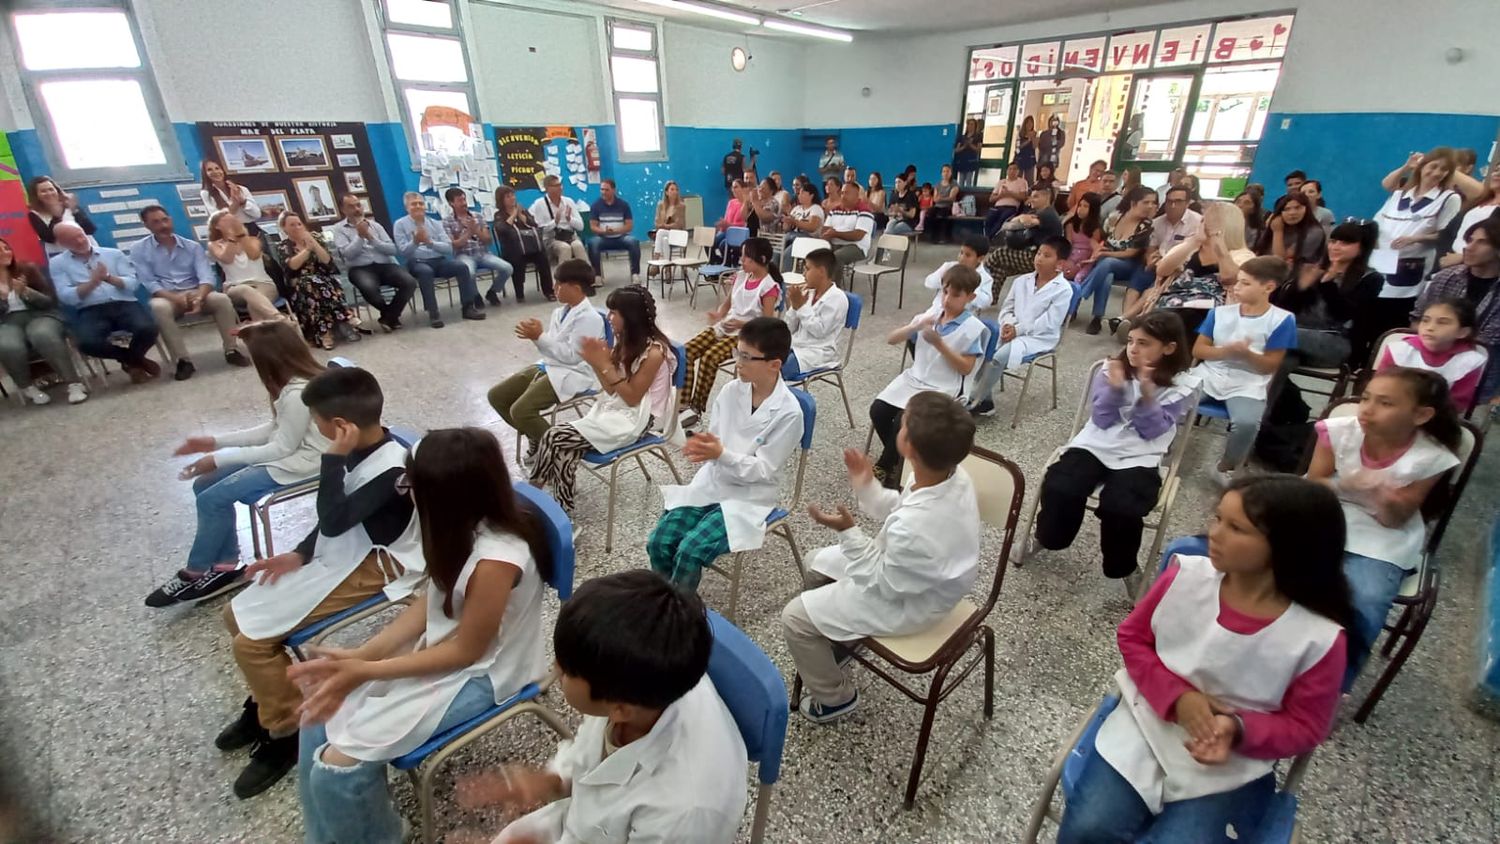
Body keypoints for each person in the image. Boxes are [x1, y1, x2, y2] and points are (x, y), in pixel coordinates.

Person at [1055, 475, 1354, 844]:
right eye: (1217, 519)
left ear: (1287, 547)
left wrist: (1238, 729)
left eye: (1235, 528)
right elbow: (1133, 638)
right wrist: (1178, 697)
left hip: (1231, 764)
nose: (1214, 533)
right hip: (1146, 725)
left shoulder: (1318, 638)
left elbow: (1306, 726)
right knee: (1090, 829)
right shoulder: (1185, 575)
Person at [291, 427, 552, 844]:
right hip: (448, 655)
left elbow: (467, 652)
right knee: (318, 711)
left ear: (444, 495)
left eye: (411, 484)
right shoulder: (460, 527)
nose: (406, 491)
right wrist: (365, 654)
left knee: (339, 766)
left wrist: (369, 669)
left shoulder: (498, 558)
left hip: (487, 674)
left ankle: (383, 835)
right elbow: (431, 601)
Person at [218, 367, 422, 799]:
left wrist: (330, 459)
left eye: (318, 424)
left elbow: (334, 519)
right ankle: (264, 704)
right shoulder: (359, 447)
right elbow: (335, 521)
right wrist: (299, 553)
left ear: (341, 427)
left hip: (380, 563)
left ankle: (285, 732)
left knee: (251, 644)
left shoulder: (390, 468)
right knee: (233, 612)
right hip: (344, 550)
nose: (317, 431)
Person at [469, 570, 748, 843]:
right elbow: (587, 754)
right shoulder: (638, 679)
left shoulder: (683, 812)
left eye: (566, 671)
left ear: (620, 710)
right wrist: (551, 781)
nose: (555, 670)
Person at [783, 393, 980, 722]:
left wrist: (848, 531)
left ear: (908, 447)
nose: (897, 422)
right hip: (911, 574)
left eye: (902, 424)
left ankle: (835, 698)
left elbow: (881, 582)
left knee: (793, 619)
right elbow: (903, 508)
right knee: (814, 559)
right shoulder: (951, 475)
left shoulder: (916, 526)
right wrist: (867, 485)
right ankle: (835, 638)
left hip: (910, 601)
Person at [146, 320, 330, 608]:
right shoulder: (292, 385)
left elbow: (281, 447)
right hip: (293, 454)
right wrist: (215, 443)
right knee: (204, 484)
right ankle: (226, 565)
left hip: (306, 463)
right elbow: (274, 430)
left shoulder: (297, 392)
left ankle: (194, 571)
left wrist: (217, 458)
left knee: (212, 499)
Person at [1306, 367, 1460, 682]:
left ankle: (1336, 682)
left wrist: (1384, 495)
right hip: (1325, 513)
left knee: (1365, 599)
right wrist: (1343, 485)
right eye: (1366, 398)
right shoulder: (1338, 431)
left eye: (1385, 403)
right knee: (1271, 567)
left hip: (1383, 533)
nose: (1368, 409)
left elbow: (1395, 519)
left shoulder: (1430, 456)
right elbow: (1312, 484)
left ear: (1420, 415)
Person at [1031, 311, 1194, 596]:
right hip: (1096, 443)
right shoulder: (1112, 369)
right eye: (1131, 341)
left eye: (1144, 343)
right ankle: (1049, 538)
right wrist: (1118, 389)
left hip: (1140, 453)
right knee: (1061, 485)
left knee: (1123, 505)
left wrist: (1145, 394)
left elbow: (1151, 431)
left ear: (1168, 348)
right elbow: (1103, 419)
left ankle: (1124, 567)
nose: (1133, 349)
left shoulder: (1182, 385)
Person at [650, 317, 803, 589]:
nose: (737, 362)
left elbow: (763, 470)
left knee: (689, 551)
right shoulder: (732, 391)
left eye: (746, 357)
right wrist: (706, 447)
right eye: (737, 352)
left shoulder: (789, 413)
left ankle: (681, 615)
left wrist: (720, 454)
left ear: (774, 364)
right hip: (713, 481)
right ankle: (663, 602)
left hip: (749, 496)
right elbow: (718, 439)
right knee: (659, 542)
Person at [528, 285, 673, 514]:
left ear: (631, 317)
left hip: (641, 419)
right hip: (617, 409)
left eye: (614, 312)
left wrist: (605, 365)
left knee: (554, 435)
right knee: (565, 449)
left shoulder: (654, 352)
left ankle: (531, 500)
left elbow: (633, 397)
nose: (609, 317)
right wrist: (597, 363)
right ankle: (561, 513)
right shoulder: (625, 342)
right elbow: (612, 390)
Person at [871, 265, 984, 485]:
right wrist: (915, 327)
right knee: (878, 410)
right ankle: (902, 460)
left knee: (903, 421)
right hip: (916, 378)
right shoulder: (930, 316)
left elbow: (966, 368)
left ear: (970, 297)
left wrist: (940, 345)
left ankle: (886, 464)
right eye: (945, 291)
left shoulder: (973, 328)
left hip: (944, 387)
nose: (947, 299)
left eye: (956, 295)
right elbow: (891, 339)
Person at [1188, 256, 1298, 479]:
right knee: (1171, 400)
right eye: (1237, 281)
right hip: (1210, 373)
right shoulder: (1219, 313)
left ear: (1268, 287)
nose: (1237, 287)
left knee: (1247, 424)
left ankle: (1226, 467)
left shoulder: (1282, 320)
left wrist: (1246, 354)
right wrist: (1226, 351)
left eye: (1245, 283)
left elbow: (1270, 366)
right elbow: (1198, 351)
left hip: (1248, 382)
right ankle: (1160, 449)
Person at [487, 259, 606, 463]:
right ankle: (535, 436)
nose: (554, 288)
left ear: (575, 288)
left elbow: (571, 357)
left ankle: (562, 455)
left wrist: (539, 337)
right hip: (550, 365)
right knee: (497, 396)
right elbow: (552, 349)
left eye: (558, 284)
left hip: (574, 373)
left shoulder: (590, 319)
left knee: (521, 410)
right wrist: (538, 337)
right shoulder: (559, 312)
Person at [133, 204, 247, 380]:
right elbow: (149, 283)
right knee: (158, 307)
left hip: (195, 292)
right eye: (156, 222)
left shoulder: (191, 246)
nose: (163, 225)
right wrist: (175, 298)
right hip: (167, 296)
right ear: (146, 225)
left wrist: (200, 297)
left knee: (221, 299)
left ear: (170, 219)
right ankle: (183, 361)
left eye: (165, 220)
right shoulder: (139, 249)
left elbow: (206, 277)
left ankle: (232, 349)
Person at [966, 236, 1073, 417]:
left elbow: (1050, 322)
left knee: (999, 356)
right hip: (1011, 329)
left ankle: (975, 399)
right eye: (1038, 253)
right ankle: (985, 401)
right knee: (982, 344)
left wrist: (1019, 330)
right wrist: (1007, 324)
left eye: (1046, 256)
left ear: (1060, 263)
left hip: (1039, 338)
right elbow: (1007, 307)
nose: (1039, 258)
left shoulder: (1063, 289)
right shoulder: (1021, 281)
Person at [679, 237, 782, 417]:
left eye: (746, 257)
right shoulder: (741, 276)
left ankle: (696, 408)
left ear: (762, 260)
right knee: (686, 351)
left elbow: (767, 324)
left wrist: (742, 323)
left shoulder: (769, 287)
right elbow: (727, 304)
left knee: (710, 357)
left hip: (747, 336)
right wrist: (719, 314)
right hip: (728, 327)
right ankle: (683, 404)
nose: (741, 260)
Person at [1123, 201, 1255, 337]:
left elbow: (1230, 278)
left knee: (1180, 319)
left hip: (1209, 309)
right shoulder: (1191, 247)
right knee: (1163, 318)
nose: (1203, 224)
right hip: (1173, 301)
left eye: (1209, 222)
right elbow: (1162, 270)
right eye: (1203, 220)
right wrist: (1194, 242)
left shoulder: (1243, 256)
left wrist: (1218, 243)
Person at [50, 222, 160, 383]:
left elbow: (133, 284)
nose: (80, 241)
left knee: (148, 329)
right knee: (86, 343)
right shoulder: (58, 263)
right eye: (73, 240)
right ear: (62, 243)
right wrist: (92, 283)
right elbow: (66, 296)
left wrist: (108, 278)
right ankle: (135, 360)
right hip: (90, 309)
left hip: (124, 303)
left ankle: (131, 362)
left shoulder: (113, 254)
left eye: (80, 235)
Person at [1411, 215, 1500, 404]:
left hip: (1480, 372)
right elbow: (1418, 318)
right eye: (1469, 240)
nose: (1469, 247)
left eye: (1482, 242)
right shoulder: (1445, 277)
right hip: (1424, 362)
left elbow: (1488, 342)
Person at [1269, 218, 1379, 369]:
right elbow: (1286, 310)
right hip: (1297, 336)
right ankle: (1283, 392)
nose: (1336, 247)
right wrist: (1300, 287)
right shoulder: (1315, 270)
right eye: (1333, 241)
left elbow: (1344, 316)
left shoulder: (1371, 278)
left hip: (1336, 341)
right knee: (1283, 359)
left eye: (1345, 243)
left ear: (1362, 248)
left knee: (1270, 332)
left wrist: (1328, 283)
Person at [0, 236, 86, 405]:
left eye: (6, 248)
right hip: (8, 321)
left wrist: (26, 292)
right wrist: (3, 300)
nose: (5, 253)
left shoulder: (27, 269)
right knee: (6, 345)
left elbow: (50, 301)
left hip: (41, 315)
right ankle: (27, 387)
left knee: (42, 335)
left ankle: (74, 383)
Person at [1373, 149, 1462, 309]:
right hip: (1383, 257)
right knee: (1374, 298)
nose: (1436, 173)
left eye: (1443, 169)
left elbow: (1446, 234)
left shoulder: (1448, 198)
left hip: (1410, 264)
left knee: (1396, 308)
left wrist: (1415, 238)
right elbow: (1386, 184)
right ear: (1422, 166)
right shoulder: (1403, 192)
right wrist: (1407, 166)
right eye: (1433, 166)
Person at [1378, 298, 1487, 412]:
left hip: (1439, 417)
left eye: (1442, 322)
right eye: (1425, 320)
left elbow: (1458, 404)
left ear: (1462, 332)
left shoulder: (1471, 361)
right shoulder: (1399, 350)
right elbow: (1380, 388)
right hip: (1391, 411)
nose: (1430, 328)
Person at [394, 191, 483, 327]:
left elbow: (448, 248)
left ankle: (468, 308)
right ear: (407, 208)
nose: (418, 206)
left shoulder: (435, 223)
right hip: (416, 262)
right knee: (425, 272)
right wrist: (415, 242)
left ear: (425, 206)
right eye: (414, 204)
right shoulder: (400, 224)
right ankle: (433, 313)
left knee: (462, 267)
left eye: (420, 203)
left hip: (438, 260)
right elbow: (402, 252)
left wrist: (430, 243)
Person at [1077, 186, 1159, 334]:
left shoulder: (1145, 226)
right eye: (1146, 202)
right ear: (1134, 203)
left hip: (1129, 265)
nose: (1150, 206)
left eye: (1153, 203)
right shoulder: (1115, 217)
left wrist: (1105, 254)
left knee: (1107, 263)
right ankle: (1097, 318)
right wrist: (1098, 249)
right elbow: (1096, 238)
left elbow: (1130, 253)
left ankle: (1081, 293)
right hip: (1106, 263)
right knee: (1106, 275)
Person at [277, 210, 361, 350]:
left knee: (318, 285)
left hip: (323, 281)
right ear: (284, 228)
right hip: (299, 285)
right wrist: (307, 250)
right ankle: (344, 317)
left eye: (299, 224)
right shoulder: (283, 246)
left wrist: (314, 244)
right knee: (309, 283)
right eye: (292, 225)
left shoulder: (316, 237)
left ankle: (324, 334)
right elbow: (292, 266)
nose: (297, 227)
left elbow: (327, 261)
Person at [206, 210, 284, 323]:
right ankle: (279, 319)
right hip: (235, 287)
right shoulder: (214, 245)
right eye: (225, 220)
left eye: (232, 219)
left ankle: (263, 337)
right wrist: (231, 237)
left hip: (263, 284)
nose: (230, 221)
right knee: (245, 289)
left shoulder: (253, 240)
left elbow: (254, 255)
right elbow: (227, 258)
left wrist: (241, 234)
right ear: (217, 226)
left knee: (254, 305)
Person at [783, 248, 850, 379]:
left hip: (820, 352)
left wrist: (801, 307)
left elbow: (819, 331)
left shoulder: (837, 298)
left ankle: (785, 397)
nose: (803, 274)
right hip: (797, 345)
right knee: (764, 360)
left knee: (781, 369)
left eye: (807, 269)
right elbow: (789, 328)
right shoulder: (808, 293)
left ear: (821, 271)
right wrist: (794, 306)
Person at [444, 187, 513, 308]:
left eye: (464, 199)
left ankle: (492, 292)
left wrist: (476, 230)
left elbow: (488, 241)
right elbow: (454, 245)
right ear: (451, 203)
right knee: (468, 272)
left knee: (507, 268)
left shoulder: (478, 216)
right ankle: (475, 296)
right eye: (460, 200)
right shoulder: (447, 222)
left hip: (483, 254)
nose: (464, 203)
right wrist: (469, 233)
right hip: (463, 256)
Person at [987, 184, 1065, 279]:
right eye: (1031, 196)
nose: (1031, 199)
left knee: (1000, 254)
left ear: (1047, 198)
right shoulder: (1036, 213)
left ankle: (979, 277)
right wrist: (1021, 217)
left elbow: (1015, 225)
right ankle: (990, 291)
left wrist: (1022, 218)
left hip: (1039, 257)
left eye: (1036, 197)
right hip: (1032, 253)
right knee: (999, 270)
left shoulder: (1047, 214)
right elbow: (1006, 225)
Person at [493, 185, 555, 302]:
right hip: (513, 250)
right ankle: (519, 293)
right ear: (501, 200)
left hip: (530, 246)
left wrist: (521, 215)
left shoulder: (523, 210)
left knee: (543, 258)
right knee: (516, 260)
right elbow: (503, 229)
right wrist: (513, 215)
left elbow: (534, 224)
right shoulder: (499, 215)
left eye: (512, 195)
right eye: (508, 196)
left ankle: (549, 291)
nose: (512, 198)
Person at [1255, 192, 1326, 286]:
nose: (1292, 213)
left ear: (1306, 209)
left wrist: (1277, 231)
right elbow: (1259, 253)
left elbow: (1279, 260)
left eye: (1298, 207)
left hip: (1294, 283)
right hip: (1267, 278)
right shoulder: (1275, 227)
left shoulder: (1315, 232)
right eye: (1286, 209)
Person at [1441, 167, 1499, 269]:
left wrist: (1462, 257)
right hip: (1447, 262)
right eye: (1496, 170)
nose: (1497, 174)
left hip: (1474, 267)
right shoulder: (1480, 200)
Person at [587, 179, 642, 284]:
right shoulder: (595, 206)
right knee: (592, 243)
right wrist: (603, 231)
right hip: (603, 238)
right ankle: (597, 276)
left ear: (613, 190)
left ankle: (635, 274)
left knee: (634, 241)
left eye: (606, 190)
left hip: (621, 238)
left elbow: (629, 226)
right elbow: (593, 226)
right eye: (602, 189)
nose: (603, 192)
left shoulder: (624, 205)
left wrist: (616, 231)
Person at [27, 175, 96, 258]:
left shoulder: (70, 206)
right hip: (61, 256)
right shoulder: (34, 214)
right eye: (43, 191)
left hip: (88, 251)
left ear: (57, 190)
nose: (49, 193)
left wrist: (75, 211)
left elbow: (90, 229)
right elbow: (49, 238)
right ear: (36, 195)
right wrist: (56, 215)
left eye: (51, 189)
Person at [922, 236, 995, 312]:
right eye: (961, 253)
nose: (962, 258)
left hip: (962, 317)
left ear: (980, 258)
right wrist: (943, 278)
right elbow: (928, 282)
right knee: (917, 321)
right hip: (937, 311)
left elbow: (986, 302)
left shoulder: (985, 278)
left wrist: (968, 288)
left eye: (968, 255)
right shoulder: (949, 267)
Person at [528, 175, 589, 266]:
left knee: (578, 246)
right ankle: (562, 279)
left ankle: (586, 277)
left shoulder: (568, 201)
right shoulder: (539, 204)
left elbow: (581, 227)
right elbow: (540, 230)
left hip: (570, 236)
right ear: (547, 188)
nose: (560, 188)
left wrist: (569, 219)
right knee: (565, 248)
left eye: (560, 185)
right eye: (556, 186)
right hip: (551, 239)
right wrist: (555, 222)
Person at [819, 182, 875, 276]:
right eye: (842, 193)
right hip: (834, 244)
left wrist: (835, 234)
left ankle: (833, 288)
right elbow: (825, 230)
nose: (843, 196)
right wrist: (826, 235)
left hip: (856, 247)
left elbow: (858, 235)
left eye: (847, 193)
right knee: (815, 255)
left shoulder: (865, 211)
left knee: (836, 257)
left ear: (857, 195)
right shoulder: (835, 210)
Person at [199, 160, 262, 231]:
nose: (215, 172)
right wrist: (235, 203)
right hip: (231, 232)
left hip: (252, 230)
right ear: (205, 174)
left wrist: (243, 201)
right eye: (209, 170)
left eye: (217, 168)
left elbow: (257, 214)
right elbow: (220, 221)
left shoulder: (241, 189)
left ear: (223, 170)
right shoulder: (206, 193)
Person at [781, 181, 826, 269]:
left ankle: (786, 276)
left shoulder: (816, 208)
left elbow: (812, 227)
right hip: (792, 238)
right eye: (799, 193)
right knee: (777, 252)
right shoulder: (796, 209)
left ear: (811, 195)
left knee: (787, 253)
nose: (799, 195)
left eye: (802, 192)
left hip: (809, 240)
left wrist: (794, 222)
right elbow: (786, 229)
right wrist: (787, 221)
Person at [1061, 191, 1103, 282]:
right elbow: (1068, 244)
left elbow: (1094, 249)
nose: (1081, 209)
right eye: (1080, 205)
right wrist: (1068, 260)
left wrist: (1084, 262)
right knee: (1062, 273)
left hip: (1086, 260)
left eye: (1086, 206)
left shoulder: (1095, 228)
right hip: (1071, 256)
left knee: (1079, 278)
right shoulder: (1071, 224)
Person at [985, 163, 1031, 240]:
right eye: (1010, 169)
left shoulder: (1022, 182)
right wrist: (1001, 196)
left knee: (1002, 219)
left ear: (1018, 171)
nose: (1012, 171)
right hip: (997, 206)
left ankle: (988, 238)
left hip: (1011, 207)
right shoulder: (1001, 182)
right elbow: (991, 199)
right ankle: (987, 238)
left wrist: (1010, 193)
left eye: (1014, 169)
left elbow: (1023, 197)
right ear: (1007, 171)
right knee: (989, 219)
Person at [650, 179, 688, 270]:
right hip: (666, 235)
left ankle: (655, 262)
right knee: (665, 239)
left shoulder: (681, 206)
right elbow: (656, 222)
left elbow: (679, 224)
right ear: (666, 192)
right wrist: (663, 226)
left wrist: (665, 226)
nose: (675, 192)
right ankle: (667, 269)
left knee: (661, 233)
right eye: (672, 189)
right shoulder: (660, 205)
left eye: (676, 190)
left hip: (678, 235)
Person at [926, 165, 960, 244]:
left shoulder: (954, 184)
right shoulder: (938, 184)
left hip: (948, 206)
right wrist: (937, 199)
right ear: (941, 173)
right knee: (930, 214)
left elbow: (951, 198)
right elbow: (935, 198)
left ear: (951, 173)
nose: (945, 173)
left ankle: (942, 237)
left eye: (947, 171)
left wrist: (941, 199)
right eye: (944, 171)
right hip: (938, 206)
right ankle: (932, 237)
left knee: (941, 216)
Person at [953, 118, 983, 187]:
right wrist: (964, 146)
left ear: (975, 126)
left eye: (972, 124)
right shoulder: (962, 137)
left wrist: (970, 144)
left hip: (970, 161)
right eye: (969, 124)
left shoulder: (978, 137)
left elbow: (978, 149)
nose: (970, 126)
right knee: (961, 181)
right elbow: (956, 150)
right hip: (962, 160)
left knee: (968, 181)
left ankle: (968, 196)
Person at [1014, 116, 1038, 184]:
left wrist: (1034, 138)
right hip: (1020, 158)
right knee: (1018, 178)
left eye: (1031, 123)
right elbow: (1018, 146)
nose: (1030, 124)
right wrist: (1028, 140)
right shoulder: (1020, 134)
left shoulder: (1034, 134)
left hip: (1030, 159)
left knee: (1029, 180)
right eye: (1028, 123)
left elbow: (1034, 146)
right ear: (1025, 124)